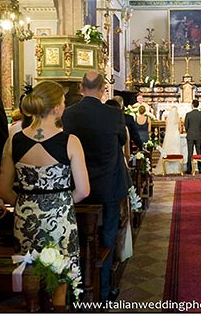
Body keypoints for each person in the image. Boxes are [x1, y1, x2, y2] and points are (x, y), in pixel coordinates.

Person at [0, 81, 90, 307]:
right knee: (60, 273)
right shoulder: (70, 142)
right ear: (57, 109)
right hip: (59, 219)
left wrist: (25, 202)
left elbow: (2, 189)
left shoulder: (14, 140)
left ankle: (32, 310)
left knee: (29, 270)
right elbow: (84, 190)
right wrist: (61, 201)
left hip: (25, 218)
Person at [61, 72, 127, 302]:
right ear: (102, 89)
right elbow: (122, 140)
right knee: (107, 237)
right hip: (108, 185)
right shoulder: (114, 114)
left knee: (77, 237)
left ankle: (76, 287)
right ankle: (104, 290)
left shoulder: (68, 114)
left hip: (77, 187)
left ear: (80, 88)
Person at [153, 106, 183, 175]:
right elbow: (180, 129)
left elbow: (166, 129)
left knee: (168, 149)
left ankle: (167, 168)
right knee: (176, 150)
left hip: (169, 135)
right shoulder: (178, 119)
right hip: (176, 135)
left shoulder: (168, 119)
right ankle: (176, 168)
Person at [184, 100, 201, 174]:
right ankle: (200, 169)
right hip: (199, 135)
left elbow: (186, 125)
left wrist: (189, 131)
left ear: (192, 105)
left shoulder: (188, 114)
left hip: (190, 135)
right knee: (199, 151)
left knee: (190, 152)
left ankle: (189, 169)